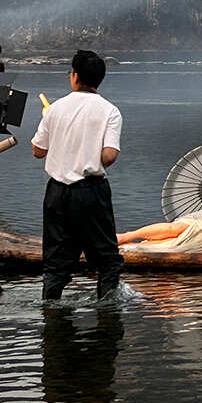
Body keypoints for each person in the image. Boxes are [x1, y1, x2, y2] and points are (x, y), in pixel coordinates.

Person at [32, 50, 123, 302]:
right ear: (99, 80)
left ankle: (51, 314)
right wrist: (89, 149)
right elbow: (109, 157)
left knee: (55, 262)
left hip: (57, 193)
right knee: (106, 259)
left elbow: (38, 151)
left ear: (74, 77)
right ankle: (107, 320)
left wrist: (53, 127)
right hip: (91, 192)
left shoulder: (55, 109)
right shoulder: (110, 111)